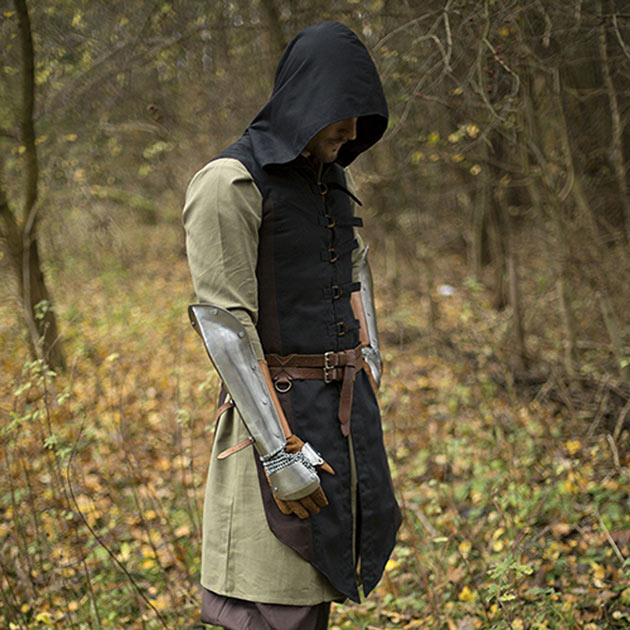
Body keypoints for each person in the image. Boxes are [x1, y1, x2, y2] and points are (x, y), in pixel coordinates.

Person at [183, 21, 401, 630]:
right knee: (269, 600)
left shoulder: (330, 177)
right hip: (270, 421)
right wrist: (279, 454)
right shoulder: (230, 182)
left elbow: (354, 267)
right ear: (308, 99)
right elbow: (224, 323)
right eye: (341, 114)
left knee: (314, 592)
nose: (351, 131)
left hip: (339, 414)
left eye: (360, 118)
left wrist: (368, 360)